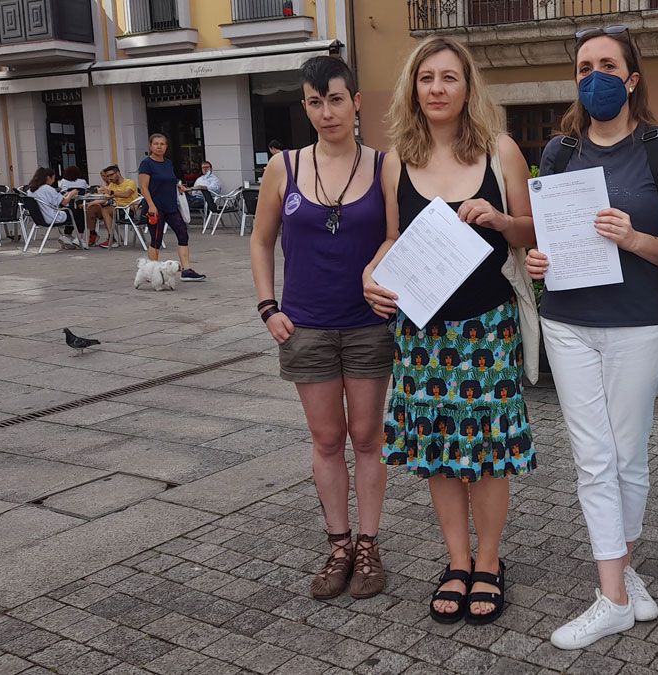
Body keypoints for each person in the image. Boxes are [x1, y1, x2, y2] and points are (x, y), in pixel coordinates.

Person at [524, 25, 658, 650]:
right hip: (566, 322)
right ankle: (613, 595)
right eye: (584, 66)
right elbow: (548, 235)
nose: (595, 76)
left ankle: (627, 567)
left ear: (632, 78)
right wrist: (539, 260)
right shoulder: (560, 152)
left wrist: (636, 240)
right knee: (593, 459)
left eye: (607, 65)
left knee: (629, 458)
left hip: (638, 323)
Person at [362, 36, 536, 626]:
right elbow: (391, 238)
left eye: (449, 79)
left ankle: (489, 562)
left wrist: (501, 219)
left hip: (486, 327)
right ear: (414, 87)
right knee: (437, 450)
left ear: (468, 88)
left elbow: (533, 234)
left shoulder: (500, 149)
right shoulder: (395, 161)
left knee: (487, 453)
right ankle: (456, 561)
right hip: (421, 328)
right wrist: (372, 270)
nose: (437, 89)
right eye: (426, 78)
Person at [250, 55, 393, 601]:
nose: (326, 112)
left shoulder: (383, 164)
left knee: (366, 437)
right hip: (304, 326)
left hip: (368, 325)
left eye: (336, 99)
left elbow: (396, 234)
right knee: (328, 439)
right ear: (305, 106)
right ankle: (339, 544)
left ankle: (369, 546)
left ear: (355, 103)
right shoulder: (284, 168)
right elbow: (262, 240)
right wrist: (268, 307)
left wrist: (377, 264)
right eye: (315, 102)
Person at [139, 133, 205, 280]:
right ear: (150, 146)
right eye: (156, 144)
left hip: (171, 206)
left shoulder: (168, 163)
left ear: (166, 146)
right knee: (156, 239)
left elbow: (171, 179)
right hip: (155, 207)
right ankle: (153, 272)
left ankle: (186, 269)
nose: (159, 146)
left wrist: (178, 185)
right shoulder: (146, 164)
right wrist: (151, 205)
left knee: (183, 233)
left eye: (162, 144)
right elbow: (143, 187)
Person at [26, 167, 82, 249]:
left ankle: (67, 237)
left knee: (71, 212)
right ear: (48, 177)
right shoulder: (47, 188)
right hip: (52, 217)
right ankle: (79, 238)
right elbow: (63, 203)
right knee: (78, 213)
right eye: (53, 178)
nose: (54, 180)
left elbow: (54, 200)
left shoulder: (30, 190)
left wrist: (65, 195)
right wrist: (72, 193)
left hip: (39, 218)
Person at [86, 165, 136, 249]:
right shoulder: (112, 185)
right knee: (92, 209)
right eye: (108, 176)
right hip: (116, 209)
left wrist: (111, 192)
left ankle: (111, 238)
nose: (109, 178)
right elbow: (105, 197)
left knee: (105, 209)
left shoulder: (129, 182)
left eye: (111, 175)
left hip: (128, 210)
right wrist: (90, 203)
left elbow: (127, 194)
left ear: (118, 173)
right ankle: (92, 234)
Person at [57, 165, 92, 246]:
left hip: (66, 206)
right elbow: (87, 190)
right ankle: (80, 237)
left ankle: (67, 235)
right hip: (79, 205)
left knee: (73, 213)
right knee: (79, 214)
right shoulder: (82, 181)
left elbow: (61, 191)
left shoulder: (62, 181)